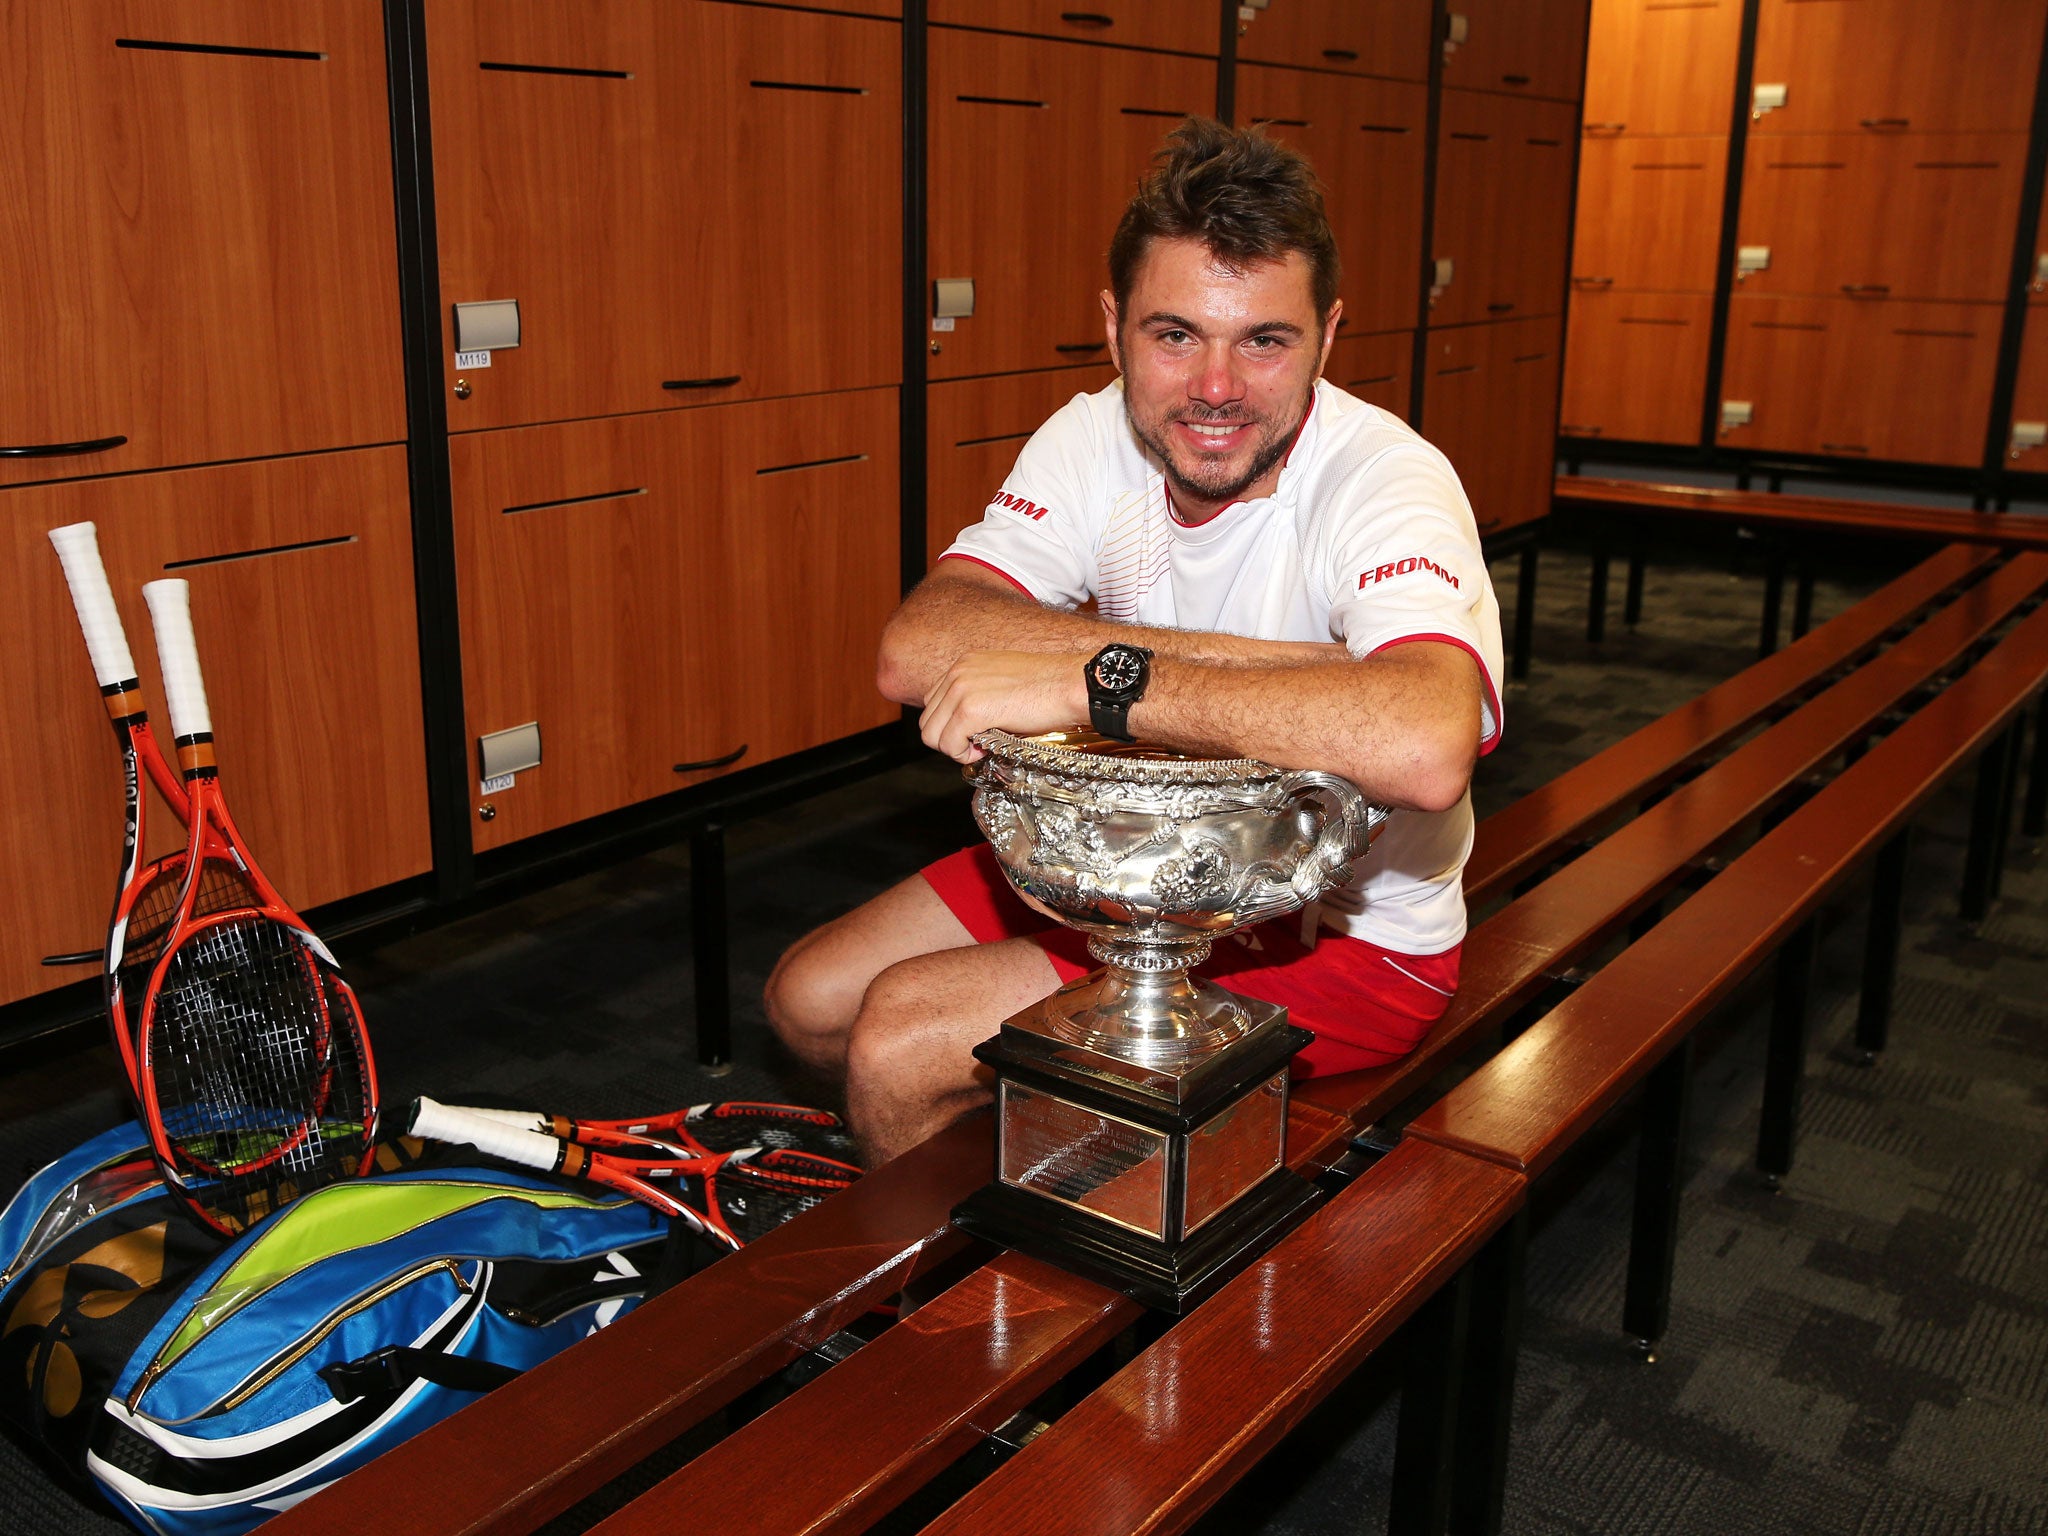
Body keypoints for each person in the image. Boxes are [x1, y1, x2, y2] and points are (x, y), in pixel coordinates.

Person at [766, 117, 1504, 1164]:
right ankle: (1035, 1161)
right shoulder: (1092, 432)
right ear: (1112, 326)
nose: (1213, 388)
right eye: (1173, 335)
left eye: (1263, 340)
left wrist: (1094, 675)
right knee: (809, 998)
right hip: (1136, 860)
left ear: (1327, 338)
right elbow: (919, 644)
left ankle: (946, 1317)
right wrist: (1302, 682)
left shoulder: (1384, 480)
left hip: (1331, 930)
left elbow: (1424, 746)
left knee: (903, 1037)